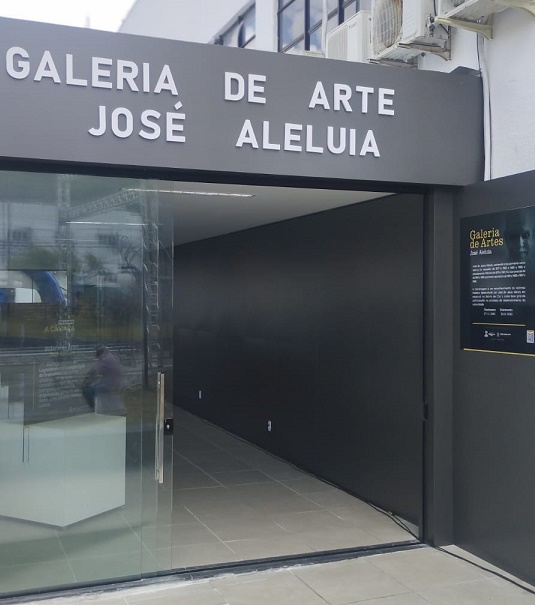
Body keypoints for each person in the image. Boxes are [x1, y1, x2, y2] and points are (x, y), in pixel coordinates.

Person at [82, 345, 125, 415]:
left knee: (88, 390)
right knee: (95, 386)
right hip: (116, 383)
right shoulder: (111, 356)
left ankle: (93, 409)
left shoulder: (105, 359)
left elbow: (94, 371)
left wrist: (85, 381)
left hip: (109, 385)